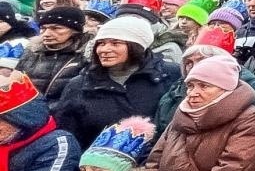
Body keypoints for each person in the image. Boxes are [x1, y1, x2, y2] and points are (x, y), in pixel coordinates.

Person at [51, 14, 181, 150]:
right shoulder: (79, 85)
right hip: (96, 160)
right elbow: (67, 135)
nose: (105, 50)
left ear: (136, 46)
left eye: (115, 43)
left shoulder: (169, 74)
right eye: (101, 43)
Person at [17, 5, 88, 101]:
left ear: (75, 30)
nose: (46, 34)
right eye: (43, 28)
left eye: (56, 28)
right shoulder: (31, 52)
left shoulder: (86, 55)